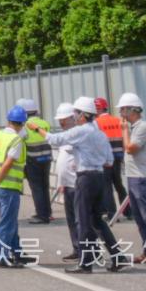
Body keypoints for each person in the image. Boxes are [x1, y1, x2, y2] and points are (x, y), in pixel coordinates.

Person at [29, 96, 127, 274]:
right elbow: (109, 162)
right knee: (97, 220)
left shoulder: (81, 131)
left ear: (83, 115)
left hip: (85, 178)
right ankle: (118, 256)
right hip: (98, 177)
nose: (74, 116)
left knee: (82, 221)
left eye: (76, 113)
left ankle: (85, 262)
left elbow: (54, 139)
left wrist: (37, 128)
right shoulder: (100, 134)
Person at [0, 105, 35, 268]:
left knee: (9, 221)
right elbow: (8, 163)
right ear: (22, 124)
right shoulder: (16, 140)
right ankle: (2, 257)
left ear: (8, 120)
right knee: (7, 223)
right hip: (8, 186)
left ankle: (17, 253)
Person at [117, 92, 146, 266]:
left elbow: (130, 148)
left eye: (123, 109)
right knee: (139, 217)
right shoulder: (135, 128)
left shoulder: (143, 127)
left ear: (132, 109)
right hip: (134, 176)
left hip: (142, 178)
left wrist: (123, 131)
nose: (121, 113)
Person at [16, 98, 53, 224]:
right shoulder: (45, 123)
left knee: (36, 188)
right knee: (45, 186)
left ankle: (41, 215)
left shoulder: (24, 127)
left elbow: (18, 142)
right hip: (47, 159)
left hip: (33, 160)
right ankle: (47, 212)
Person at [51, 102, 81, 263]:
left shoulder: (77, 135)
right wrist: (61, 183)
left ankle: (88, 250)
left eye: (64, 119)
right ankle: (77, 248)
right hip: (67, 184)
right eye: (59, 120)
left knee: (81, 219)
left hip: (77, 184)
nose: (61, 122)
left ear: (72, 117)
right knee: (71, 219)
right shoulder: (65, 136)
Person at [95, 97, 129, 219]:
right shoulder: (118, 120)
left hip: (105, 159)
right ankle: (129, 211)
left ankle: (112, 213)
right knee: (119, 184)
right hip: (119, 156)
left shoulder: (97, 123)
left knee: (107, 186)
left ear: (97, 109)